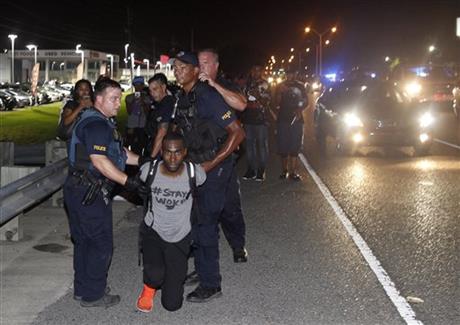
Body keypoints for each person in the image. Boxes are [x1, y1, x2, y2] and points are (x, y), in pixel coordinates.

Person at [64, 77, 149, 308]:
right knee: (100, 243)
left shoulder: (100, 121)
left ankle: (84, 289)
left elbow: (117, 152)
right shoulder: (96, 125)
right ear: (98, 99)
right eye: (113, 99)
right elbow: (99, 160)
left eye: (119, 98)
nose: (117, 103)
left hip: (79, 188)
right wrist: (129, 182)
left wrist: (143, 160)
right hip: (88, 191)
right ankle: (94, 295)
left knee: (84, 242)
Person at [172, 51, 245, 302]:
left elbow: (237, 133)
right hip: (194, 166)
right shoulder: (183, 96)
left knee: (205, 224)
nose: (177, 70)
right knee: (194, 222)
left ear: (196, 71)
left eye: (184, 67)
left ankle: (211, 284)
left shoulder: (208, 96)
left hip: (215, 167)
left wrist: (211, 164)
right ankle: (203, 270)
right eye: (176, 67)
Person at [136, 131, 206, 313]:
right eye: (168, 152)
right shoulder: (148, 171)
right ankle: (149, 288)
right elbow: (137, 186)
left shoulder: (194, 173)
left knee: (172, 305)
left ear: (184, 152)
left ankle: (169, 277)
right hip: (154, 231)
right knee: (155, 274)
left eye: (177, 152)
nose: (173, 157)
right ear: (161, 152)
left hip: (180, 235)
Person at [197, 48, 248, 262]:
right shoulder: (194, 89)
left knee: (230, 208)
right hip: (199, 155)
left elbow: (242, 104)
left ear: (216, 66)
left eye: (206, 63)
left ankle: (238, 246)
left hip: (224, 155)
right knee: (202, 211)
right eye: (199, 63)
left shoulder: (224, 85)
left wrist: (214, 85)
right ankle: (205, 256)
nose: (201, 67)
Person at [274, 69, 308, 180]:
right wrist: (280, 92)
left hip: (297, 120)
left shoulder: (300, 86)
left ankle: (293, 172)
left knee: (295, 146)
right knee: (283, 146)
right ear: (285, 75)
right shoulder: (280, 86)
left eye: (292, 73)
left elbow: (305, 101)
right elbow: (276, 103)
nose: (290, 75)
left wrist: (300, 108)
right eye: (288, 73)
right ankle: (284, 171)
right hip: (283, 119)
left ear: (295, 74)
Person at [241, 65, 271, 181]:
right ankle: (251, 169)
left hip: (261, 119)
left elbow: (267, 101)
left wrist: (257, 96)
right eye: (253, 70)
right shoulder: (247, 84)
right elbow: (242, 100)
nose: (255, 72)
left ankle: (261, 169)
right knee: (249, 145)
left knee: (261, 145)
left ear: (261, 72)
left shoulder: (265, 84)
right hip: (248, 119)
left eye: (258, 70)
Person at [145, 73, 175, 158]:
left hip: (160, 150)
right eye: (150, 91)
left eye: (155, 89)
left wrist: (152, 158)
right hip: (155, 145)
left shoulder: (167, 104)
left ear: (163, 87)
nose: (152, 93)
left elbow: (162, 132)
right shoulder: (159, 103)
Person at [57, 79, 94, 144]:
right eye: (81, 89)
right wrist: (80, 107)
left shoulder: (95, 104)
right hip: (73, 137)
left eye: (87, 89)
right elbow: (66, 122)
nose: (84, 92)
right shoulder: (71, 104)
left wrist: (93, 107)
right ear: (76, 91)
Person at [125, 76, 150, 155]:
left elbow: (148, 112)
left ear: (142, 86)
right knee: (131, 145)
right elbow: (129, 111)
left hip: (143, 125)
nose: (138, 87)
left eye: (140, 85)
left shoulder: (147, 98)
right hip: (132, 124)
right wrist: (133, 102)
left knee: (143, 145)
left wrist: (143, 102)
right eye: (136, 85)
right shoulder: (129, 97)